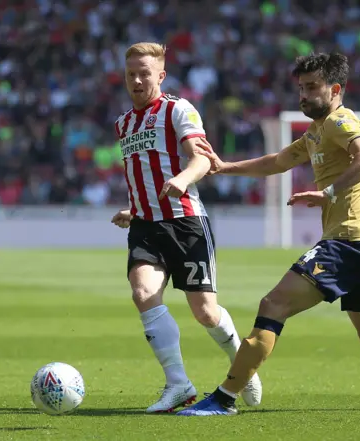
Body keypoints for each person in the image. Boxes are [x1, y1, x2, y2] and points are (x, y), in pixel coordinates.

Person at [178, 52, 360, 416]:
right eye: (300, 88)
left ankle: (224, 398)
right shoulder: (317, 132)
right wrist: (225, 168)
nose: (303, 96)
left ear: (335, 89)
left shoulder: (340, 120)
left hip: (348, 243)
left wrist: (328, 193)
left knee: (273, 305)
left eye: (311, 87)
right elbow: (278, 162)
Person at [110, 42, 262, 413]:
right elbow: (142, 175)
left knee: (205, 312)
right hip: (146, 225)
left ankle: (242, 369)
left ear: (160, 75)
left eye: (144, 73)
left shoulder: (179, 110)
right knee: (143, 292)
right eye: (131, 74)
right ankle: (178, 384)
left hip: (186, 222)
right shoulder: (123, 123)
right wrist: (133, 207)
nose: (137, 80)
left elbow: (202, 161)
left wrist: (181, 179)